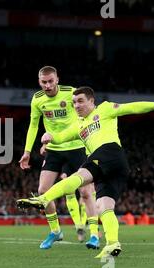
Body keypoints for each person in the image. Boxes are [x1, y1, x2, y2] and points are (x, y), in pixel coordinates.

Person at [16, 86, 154, 258]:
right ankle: (113, 244)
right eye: (74, 102)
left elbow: (132, 107)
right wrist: (50, 137)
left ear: (92, 101)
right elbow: (62, 137)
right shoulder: (79, 125)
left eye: (81, 101)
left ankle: (43, 199)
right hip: (114, 169)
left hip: (109, 152)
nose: (76, 105)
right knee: (104, 207)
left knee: (79, 176)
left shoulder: (104, 109)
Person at [19, 66, 99, 249]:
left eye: (50, 81)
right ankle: (55, 231)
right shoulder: (37, 99)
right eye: (43, 82)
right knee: (43, 192)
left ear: (57, 79)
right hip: (54, 149)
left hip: (76, 147)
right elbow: (33, 126)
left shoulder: (70, 93)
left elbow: (86, 114)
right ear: (39, 82)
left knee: (86, 192)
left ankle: (94, 235)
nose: (47, 85)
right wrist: (27, 152)